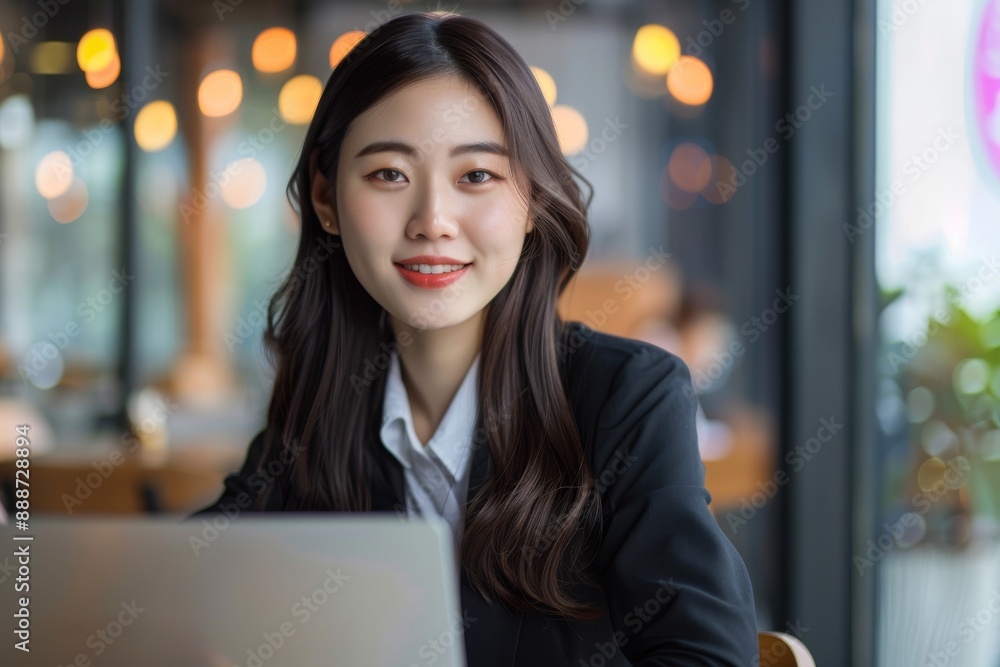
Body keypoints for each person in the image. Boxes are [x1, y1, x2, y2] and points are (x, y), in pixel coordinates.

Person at [192, 11, 757, 665]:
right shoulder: (320, 405)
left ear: (532, 201)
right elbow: (182, 592)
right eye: (388, 175)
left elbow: (706, 655)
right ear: (326, 200)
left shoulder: (625, 400)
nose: (433, 221)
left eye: (477, 177)